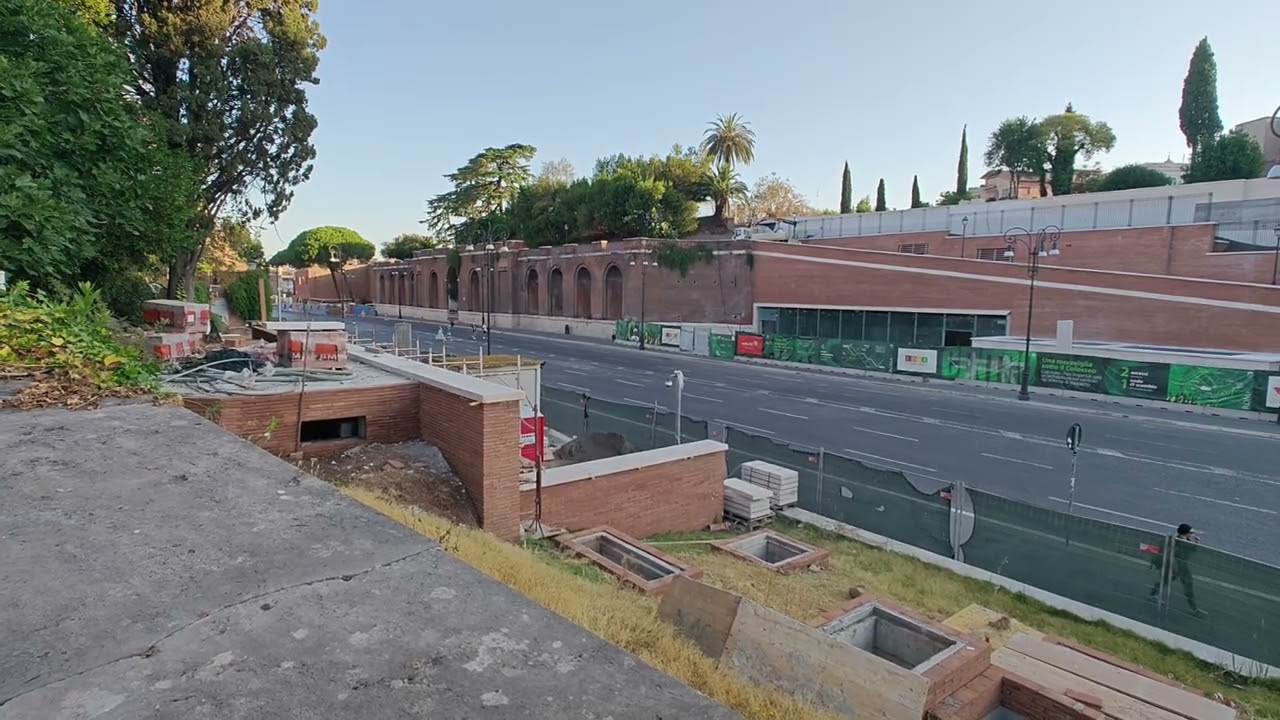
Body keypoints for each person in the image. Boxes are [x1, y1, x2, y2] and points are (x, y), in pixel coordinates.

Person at [1148, 523, 1206, 617]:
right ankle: (1152, 595)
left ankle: (1193, 608)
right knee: (1166, 581)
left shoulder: (1187, 540)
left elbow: (1189, 552)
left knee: (1187, 585)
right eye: (1191, 532)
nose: (1193, 534)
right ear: (1185, 533)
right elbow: (1175, 553)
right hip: (1173, 566)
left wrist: (1195, 544)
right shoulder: (1176, 541)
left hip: (1182, 566)